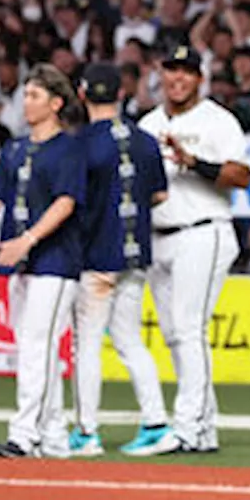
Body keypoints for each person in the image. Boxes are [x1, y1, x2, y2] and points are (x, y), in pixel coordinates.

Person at [0, 64, 85, 458]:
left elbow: (66, 202)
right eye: (25, 95)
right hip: (23, 262)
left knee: (36, 344)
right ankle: (53, 434)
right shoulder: (15, 148)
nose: (26, 102)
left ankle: (24, 432)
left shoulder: (68, 148)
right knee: (35, 346)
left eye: (34, 95)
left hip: (57, 260)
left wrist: (27, 240)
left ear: (56, 103)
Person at [138, 46, 250, 454]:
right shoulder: (148, 123)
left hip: (204, 231)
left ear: (199, 78)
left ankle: (187, 427)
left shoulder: (218, 120)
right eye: (171, 70)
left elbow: (242, 175)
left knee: (188, 329)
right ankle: (203, 427)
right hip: (159, 235)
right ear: (160, 73)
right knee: (175, 334)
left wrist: (194, 162)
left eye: (186, 71)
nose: (178, 78)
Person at [68, 64, 173, 458]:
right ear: (120, 93)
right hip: (136, 251)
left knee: (88, 344)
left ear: (82, 94)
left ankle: (86, 432)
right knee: (129, 341)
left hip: (96, 253)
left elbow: (72, 202)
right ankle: (156, 423)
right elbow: (160, 196)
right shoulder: (145, 140)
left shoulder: (81, 143)